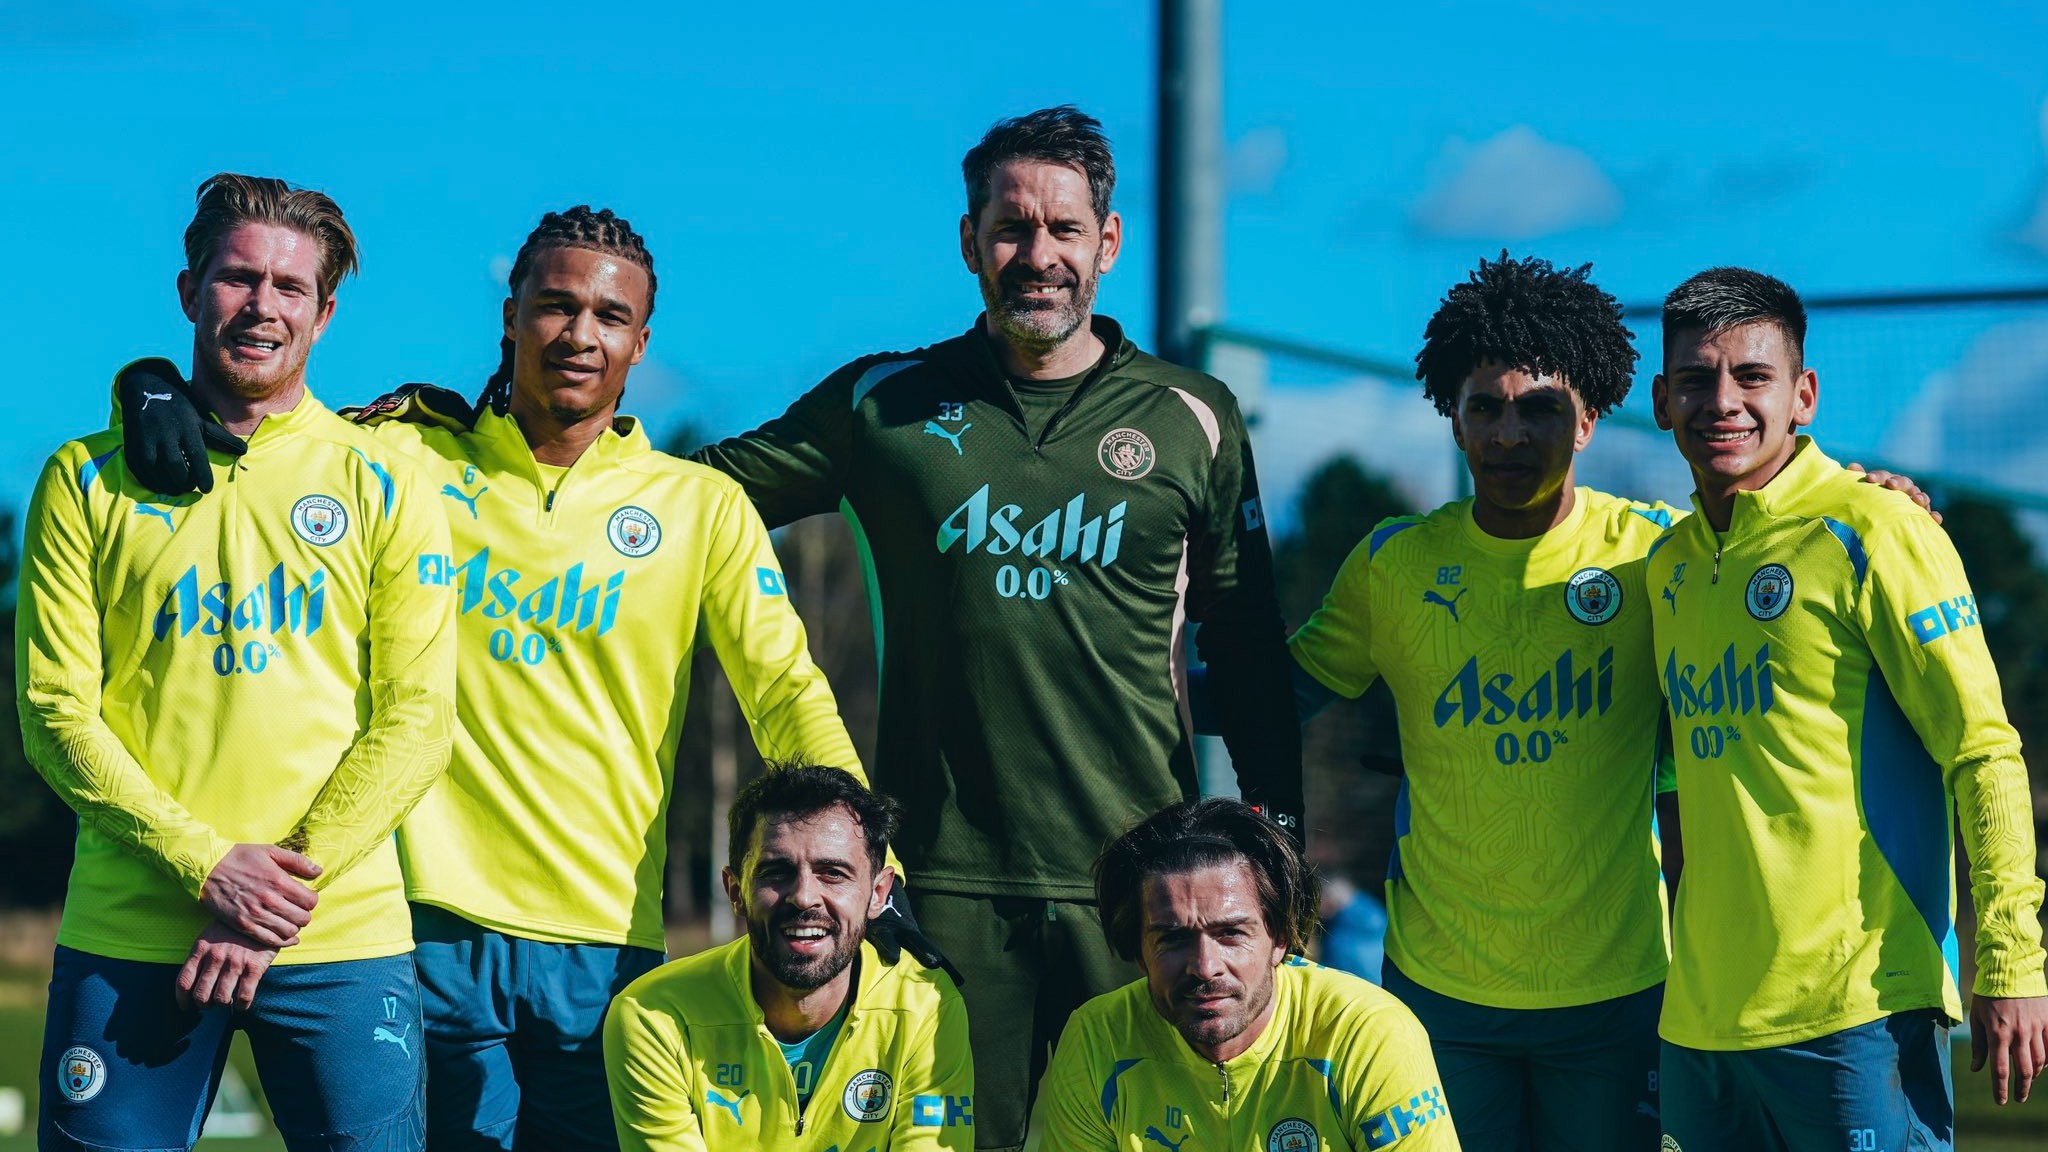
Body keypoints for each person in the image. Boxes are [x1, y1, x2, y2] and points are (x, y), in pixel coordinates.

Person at [114, 206, 867, 1150]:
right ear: (509, 316)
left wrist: (866, 847)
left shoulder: (701, 506)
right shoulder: (403, 457)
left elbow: (786, 691)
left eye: (608, 316)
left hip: (607, 943)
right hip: (419, 927)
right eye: (553, 306)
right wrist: (147, 386)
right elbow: (266, 427)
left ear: (641, 342)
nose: (578, 335)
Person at [689, 105, 1303, 1152]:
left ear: (1107, 244)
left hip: (1135, 887)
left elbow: (1243, 647)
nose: (1039, 256)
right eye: (1012, 228)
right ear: (970, 240)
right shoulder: (883, 405)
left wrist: (1279, 847)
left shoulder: (1189, 417)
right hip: (937, 887)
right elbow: (684, 499)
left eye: (1064, 230)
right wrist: (505, 429)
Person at [19, 173, 457, 1151]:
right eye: (236, 279)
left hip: (337, 937)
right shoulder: (83, 478)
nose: (261, 306)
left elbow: (418, 719)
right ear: (189, 291)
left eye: (289, 287)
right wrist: (207, 867)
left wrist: (271, 896)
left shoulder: (386, 478)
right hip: (134, 932)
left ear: (325, 312)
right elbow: (55, 715)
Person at [1646, 266, 2048, 1151]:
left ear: (1804, 396)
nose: (1724, 401)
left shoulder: (1878, 529)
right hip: (1701, 1028)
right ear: (1661, 400)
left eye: (1753, 377)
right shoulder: (1664, 568)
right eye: (1695, 379)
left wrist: (2014, 957)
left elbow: (1983, 748)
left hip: (1857, 1011)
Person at [1039, 798, 1456, 1150]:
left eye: (1231, 933)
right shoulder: (1097, 1037)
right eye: (1172, 938)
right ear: (1137, 952)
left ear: (1280, 939)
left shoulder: (1367, 1031)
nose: (1205, 966)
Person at [606, 763, 972, 1151]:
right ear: (735, 891)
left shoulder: (927, 1004)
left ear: (879, 894)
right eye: (776, 871)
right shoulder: (653, 1016)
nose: (803, 896)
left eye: (832, 873)